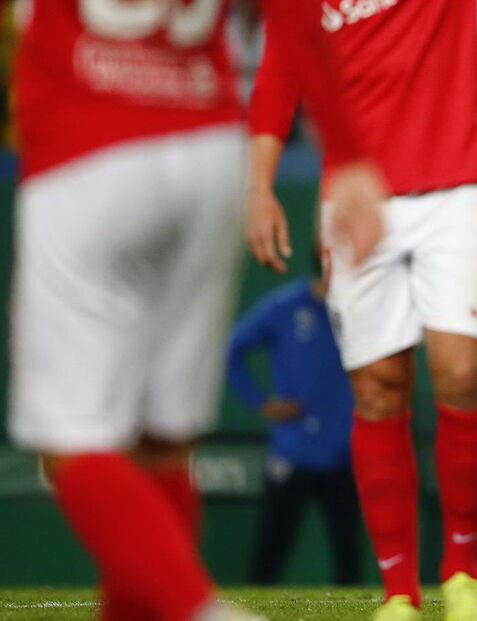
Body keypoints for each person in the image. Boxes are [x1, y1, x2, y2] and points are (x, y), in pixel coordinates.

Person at [8, 2, 383, 619]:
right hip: (208, 152)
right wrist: (348, 153)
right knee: (160, 442)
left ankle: (201, 611)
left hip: (86, 152)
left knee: (70, 445)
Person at [247, 2, 477, 620]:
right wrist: (258, 187)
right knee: (379, 389)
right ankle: (399, 593)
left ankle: (463, 574)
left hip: (457, 187)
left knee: (461, 373)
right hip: (353, 195)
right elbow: (281, 70)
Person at [226, 262, 361, 586]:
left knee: (350, 560)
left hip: (344, 453)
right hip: (293, 453)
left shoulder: (361, 310)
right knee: (268, 557)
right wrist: (261, 402)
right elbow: (233, 349)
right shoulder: (285, 306)